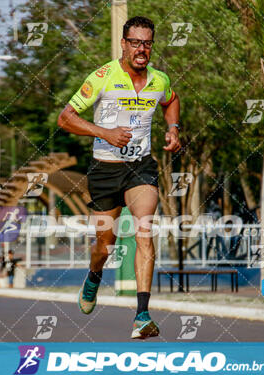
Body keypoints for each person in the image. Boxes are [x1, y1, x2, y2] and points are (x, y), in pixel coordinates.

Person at [57, 16, 181, 339]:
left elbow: (172, 100)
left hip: (140, 167)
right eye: (136, 42)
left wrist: (173, 128)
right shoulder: (103, 77)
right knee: (104, 245)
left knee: (144, 229)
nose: (142, 49)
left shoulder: (158, 80)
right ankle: (94, 275)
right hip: (104, 169)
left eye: (147, 43)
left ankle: (142, 314)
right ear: (123, 44)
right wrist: (104, 133)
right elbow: (65, 118)